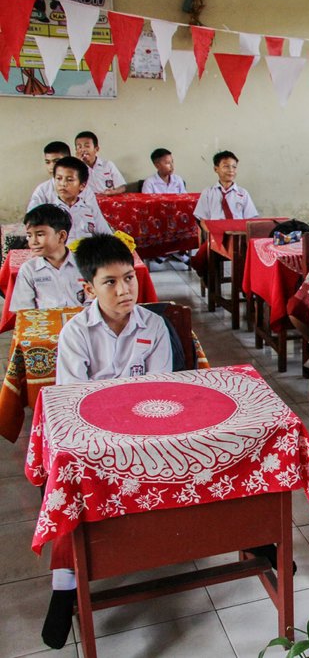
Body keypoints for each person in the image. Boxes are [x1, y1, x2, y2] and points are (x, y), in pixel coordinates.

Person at [44, 233, 174, 649]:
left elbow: (161, 390)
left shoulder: (152, 324)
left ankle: (247, 534)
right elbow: (75, 402)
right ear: (88, 288)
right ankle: (64, 587)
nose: (125, 290)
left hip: (149, 430)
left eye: (130, 279)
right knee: (66, 480)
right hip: (94, 437)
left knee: (203, 450)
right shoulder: (76, 333)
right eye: (110, 282)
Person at [9, 204, 89, 312]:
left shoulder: (86, 264)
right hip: (45, 326)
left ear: (61, 236)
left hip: (82, 324)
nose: (33, 242)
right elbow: (23, 311)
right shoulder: (29, 270)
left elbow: (96, 302)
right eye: (29, 235)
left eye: (40, 234)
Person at [191, 150, 259, 275]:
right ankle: (210, 281)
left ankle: (244, 286)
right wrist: (215, 236)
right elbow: (203, 221)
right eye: (226, 166)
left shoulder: (243, 193)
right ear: (216, 169)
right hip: (216, 237)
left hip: (239, 237)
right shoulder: (208, 192)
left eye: (234, 167)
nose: (231, 170)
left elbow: (251, 220)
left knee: (252, 254)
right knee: (201, 257)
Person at [51, 156, 114, 242]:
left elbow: (107, 235)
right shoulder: (49, 212)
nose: (63, 184)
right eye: (59, 178)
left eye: (69, 180)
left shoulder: (89, 209)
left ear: (82, 186)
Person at [74, 130, 126, 196]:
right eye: (79, 147)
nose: (83, 150)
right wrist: (77, 164)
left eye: (87, 146)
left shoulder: (108, 165)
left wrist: (113, 192)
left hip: (109, 201)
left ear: (96, 149)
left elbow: (122, 187)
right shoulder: (74, 169)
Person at [27, 141, 71, 210]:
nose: (52, 166)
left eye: (56, 161)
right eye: (48, 162)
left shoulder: (83, 188)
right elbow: (32, 217)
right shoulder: (43, 190)